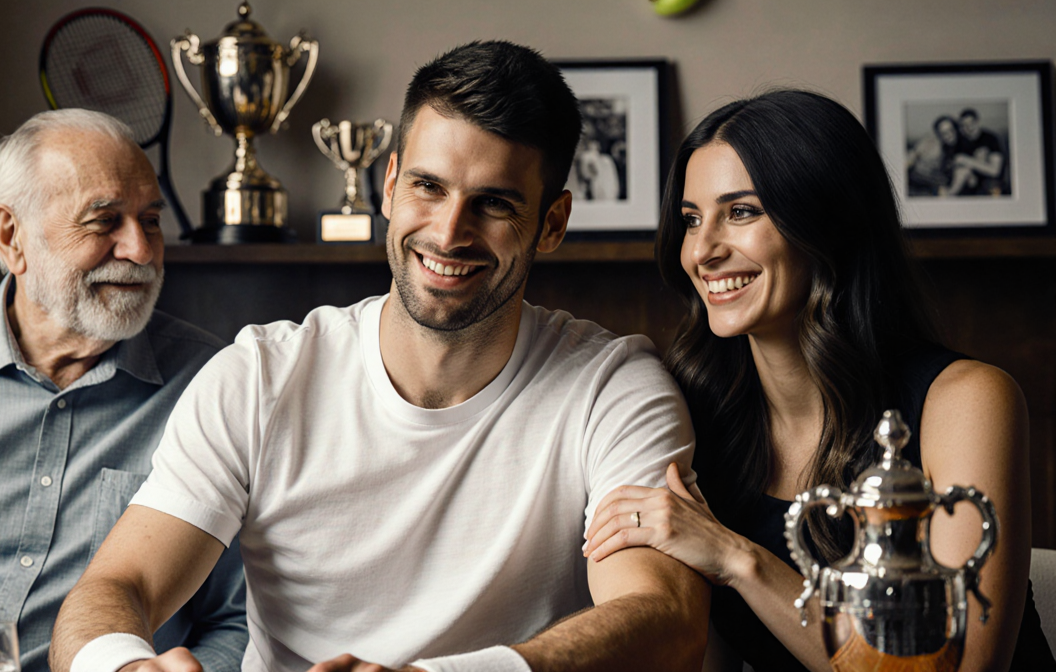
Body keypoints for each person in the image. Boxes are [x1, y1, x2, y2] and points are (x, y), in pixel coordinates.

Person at [50, 40, 708, 672]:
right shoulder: (260, 375)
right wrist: (124, 664)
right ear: (388, 186)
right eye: (429, 187)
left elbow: (664, 618)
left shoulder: (613, 387)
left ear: (553, 223)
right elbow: (117, 585)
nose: (449, 233)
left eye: (494, 204)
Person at [582, 90, 1054, 671]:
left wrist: (738, 559)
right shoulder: (690, 410)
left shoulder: (966, 401)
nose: (702, 250)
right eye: (690, 219)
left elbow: (958, 667)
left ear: (826, 224)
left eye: (742, 211)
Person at [0, 109, 248, 671]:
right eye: (104, 220)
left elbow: (235, 617)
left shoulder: (215, 386)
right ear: (10, 236)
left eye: (151, 220)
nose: (140, 249)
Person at [949, 107, 1007, 196]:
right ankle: (948, 196)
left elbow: (995, 171)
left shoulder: (990, 138)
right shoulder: (960, 142)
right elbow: (957, 165)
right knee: (961, 172)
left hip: (992, 183)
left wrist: (967, 161)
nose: (969, 128)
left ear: (977, 122)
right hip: (970, 181)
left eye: (971, 123)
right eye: (964, 125)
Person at [906, 114, 959, 196]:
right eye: (944, 133)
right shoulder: (931, 143)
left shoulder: (963, 143)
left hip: (939, 183)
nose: (949, 135)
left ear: (956, 129)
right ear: (939, 134)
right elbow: (913, 155)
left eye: (951, 130)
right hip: (918, 177)